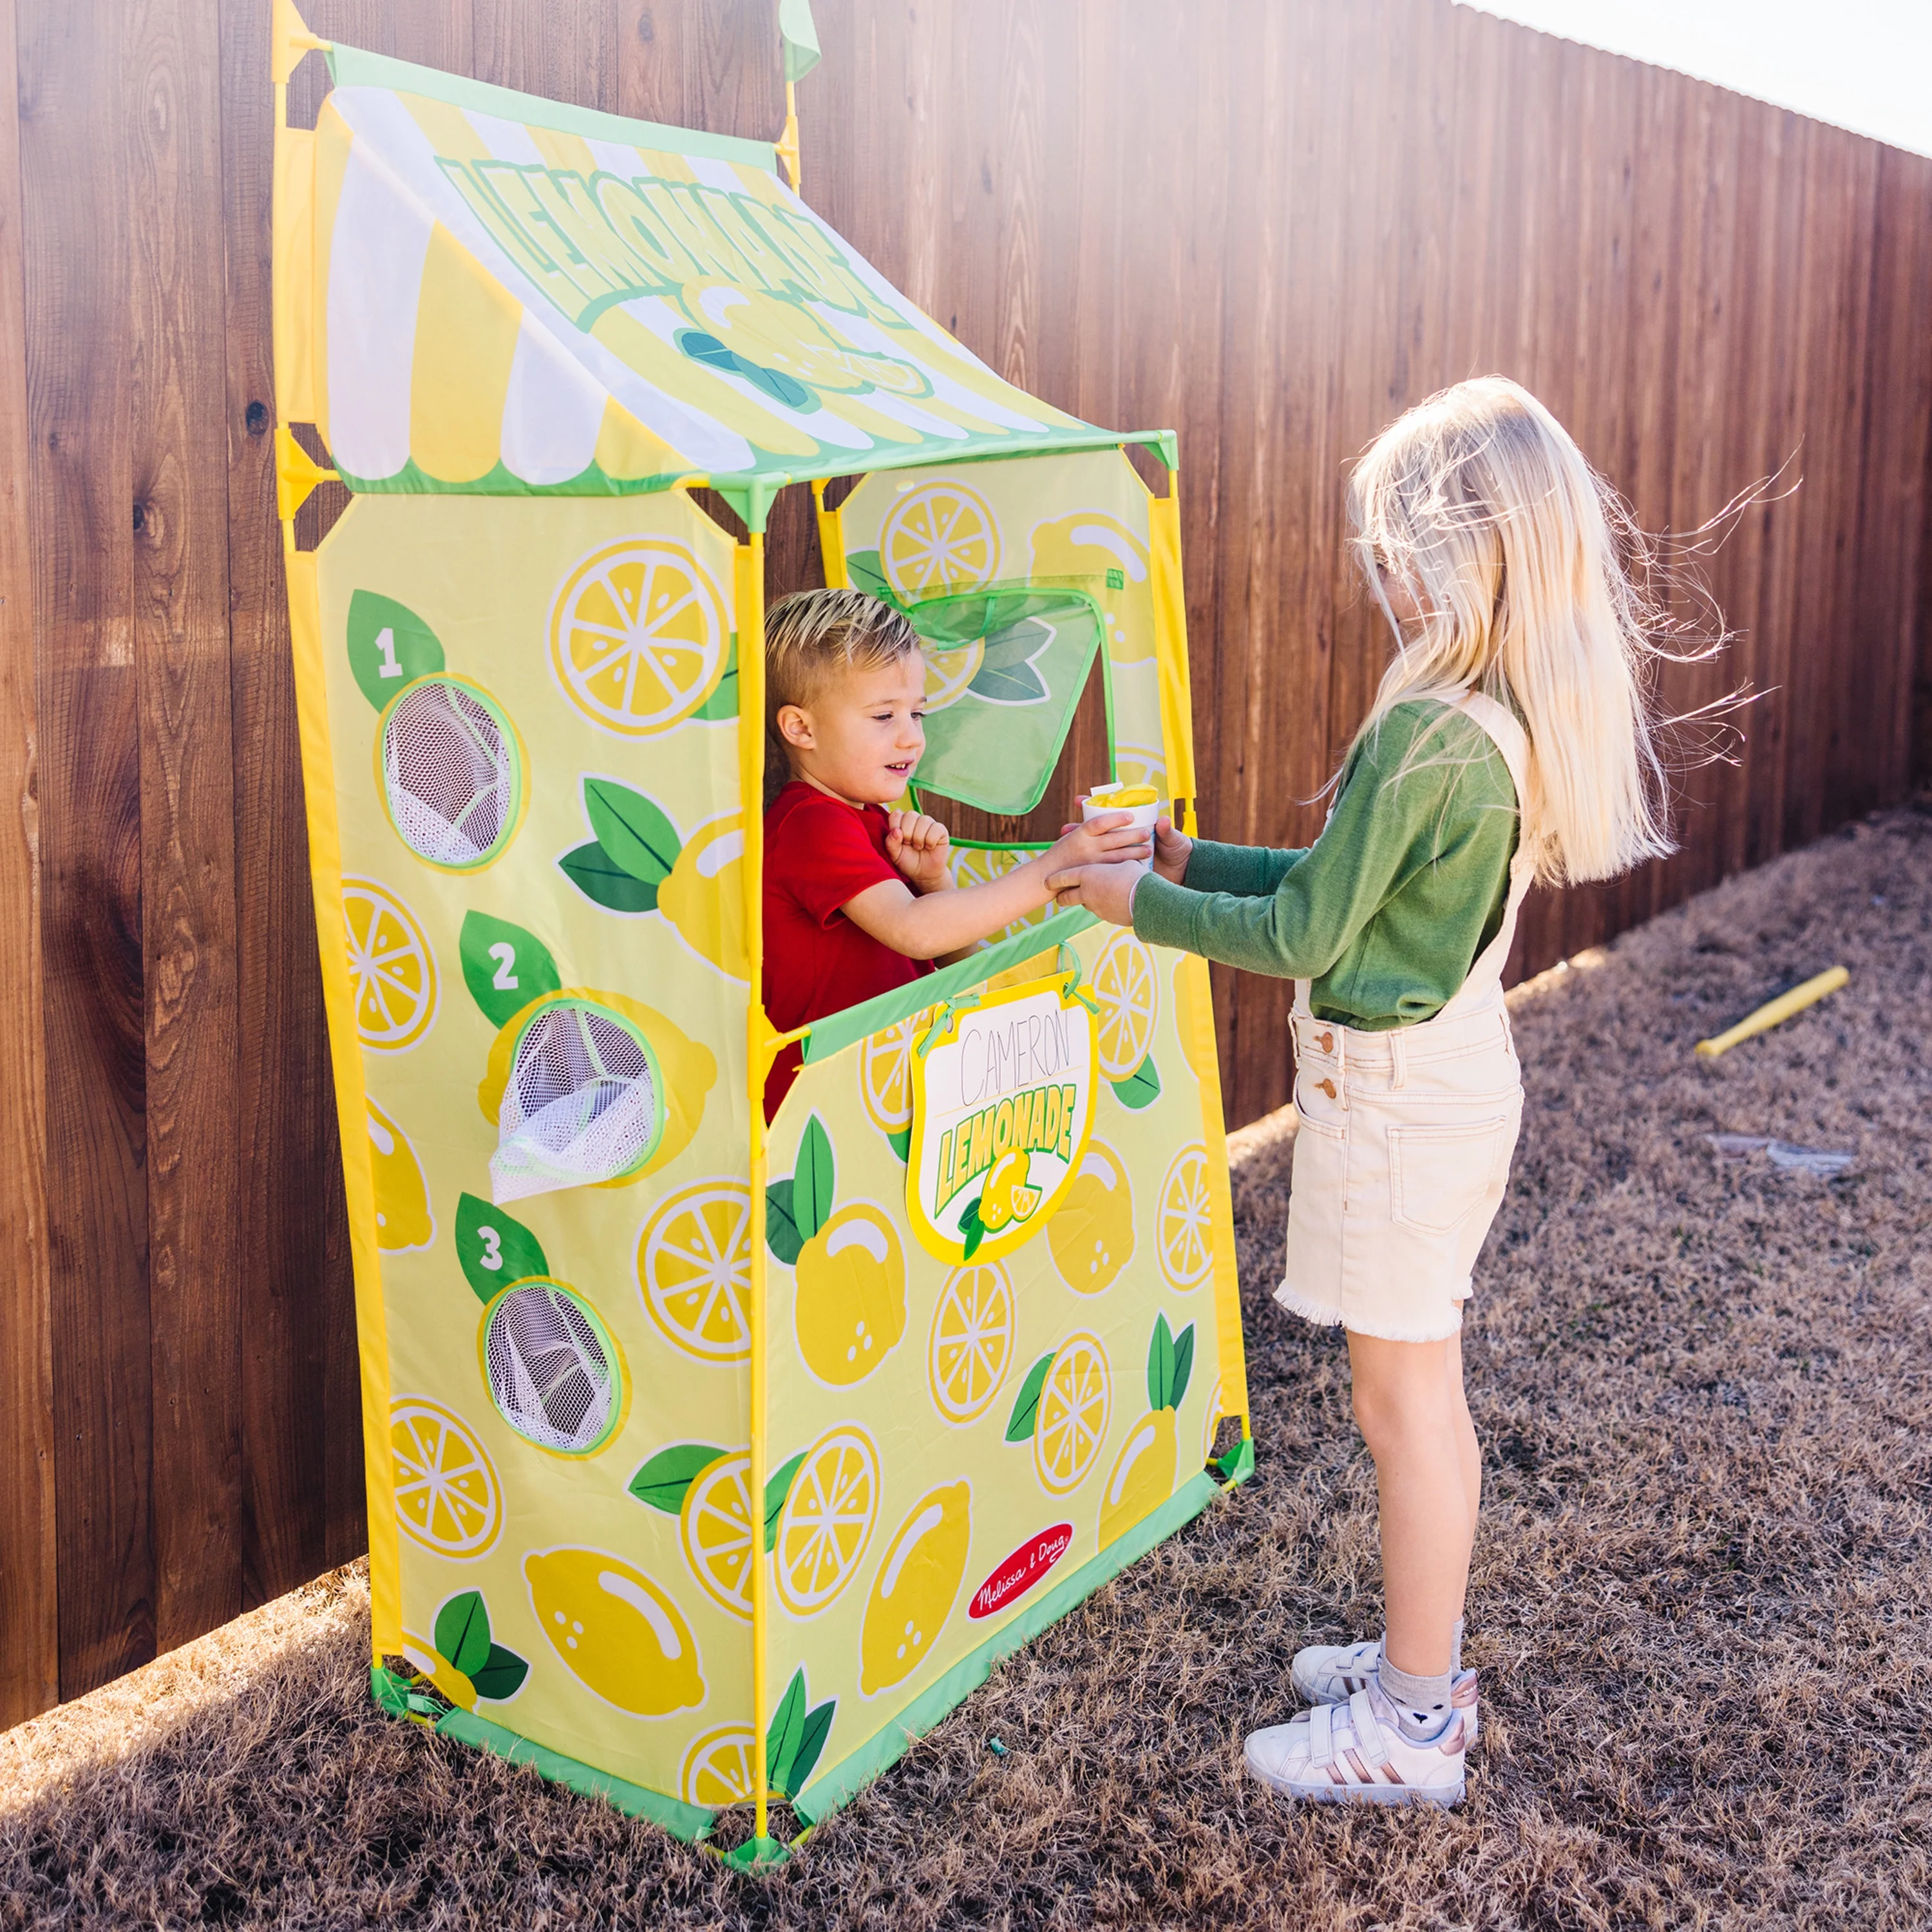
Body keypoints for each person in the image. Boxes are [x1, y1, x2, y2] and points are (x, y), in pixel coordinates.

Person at [1050, 377, 1687, 1806]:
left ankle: (1413, 1720)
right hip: (1434, 1087)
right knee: (1416, 1403)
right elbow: (1334, 900)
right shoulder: (1492, 716)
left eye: (1391, 541)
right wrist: (1180, 857)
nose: (1378, 569)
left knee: (1406, 1413)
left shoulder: (1430, 735)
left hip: (1401, 1109)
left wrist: (1125, 899)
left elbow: (1300, 938)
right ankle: (1423, 1667)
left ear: (1462, 545)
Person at [761, 587, 1148, 1120]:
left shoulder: (869, 821)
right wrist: (1051, 869)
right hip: (827, 1108)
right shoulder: (810, 823)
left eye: (916, 715)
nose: (911, 740)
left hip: (890, 1091)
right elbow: (914, 930)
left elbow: (960, 967)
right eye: (883, 717)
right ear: (801, 728)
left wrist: (934, 886)